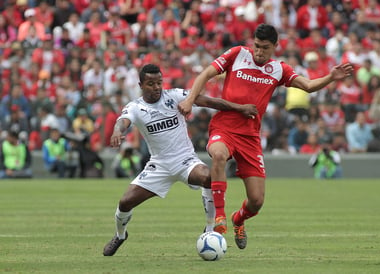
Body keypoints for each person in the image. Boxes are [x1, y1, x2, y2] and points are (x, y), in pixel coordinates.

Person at [178, 23, 353, 249]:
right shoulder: (237, 54)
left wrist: (330, 76)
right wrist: (191, 99)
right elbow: (206, 74)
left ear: (275, 47)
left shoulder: (279, 69)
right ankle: (218, 217)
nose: (259, 52)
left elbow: (308, 86)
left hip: (250, 138)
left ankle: (237, 220)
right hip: (225, 127)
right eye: (257, 46)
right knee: (218, 155)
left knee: (257, 201)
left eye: (265, 48)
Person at [102, 64, 257, 256]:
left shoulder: (175, 96)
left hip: (186, 161)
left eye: (159, 82)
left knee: (209, 178)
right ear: (141, 85)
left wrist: (239, 108)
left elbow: (209, 102)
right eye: (151, 83)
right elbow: (122, 121)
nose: (157, 87)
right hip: (159, 165)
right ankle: (120, 235)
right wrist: (117, 131)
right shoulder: (135, 107)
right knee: (125, 202)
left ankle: (209, 230)